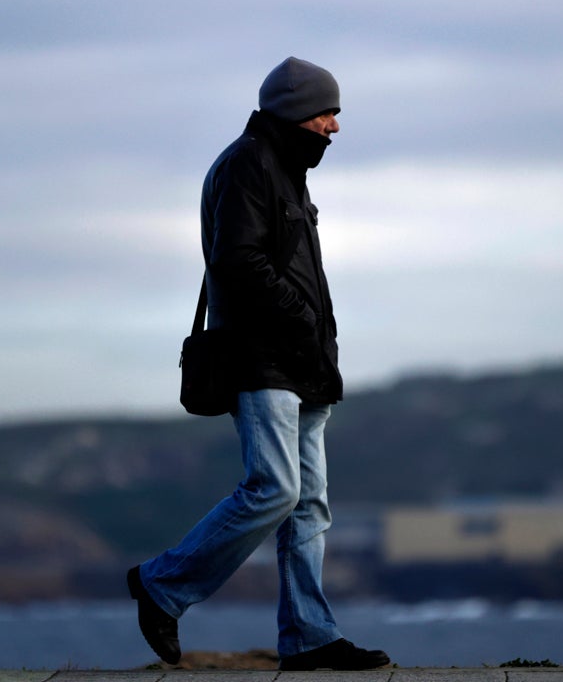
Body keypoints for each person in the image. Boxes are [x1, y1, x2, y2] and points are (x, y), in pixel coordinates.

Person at [127, 57, 390, 671]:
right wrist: (300, 319)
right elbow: (238, 263)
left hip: (302, 362)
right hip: (263, 358)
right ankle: (162, 586)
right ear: (297, 112)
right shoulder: (248, 164)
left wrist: (316, 341)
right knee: (274, 488)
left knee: (308, 504)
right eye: (328, 112)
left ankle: (310, 639)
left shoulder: (285, 168)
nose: (334, 126)